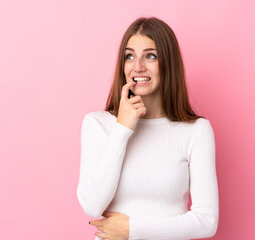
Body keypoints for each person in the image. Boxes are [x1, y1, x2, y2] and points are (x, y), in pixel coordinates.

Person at [76, 17, 219, 240]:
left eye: (150, 56)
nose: (138, 66)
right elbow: (92, 206)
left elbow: (206, 221)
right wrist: (122, 129)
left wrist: (132, 230)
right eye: (129, 56)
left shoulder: (196, 131)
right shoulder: (98, 124)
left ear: (168, 64)